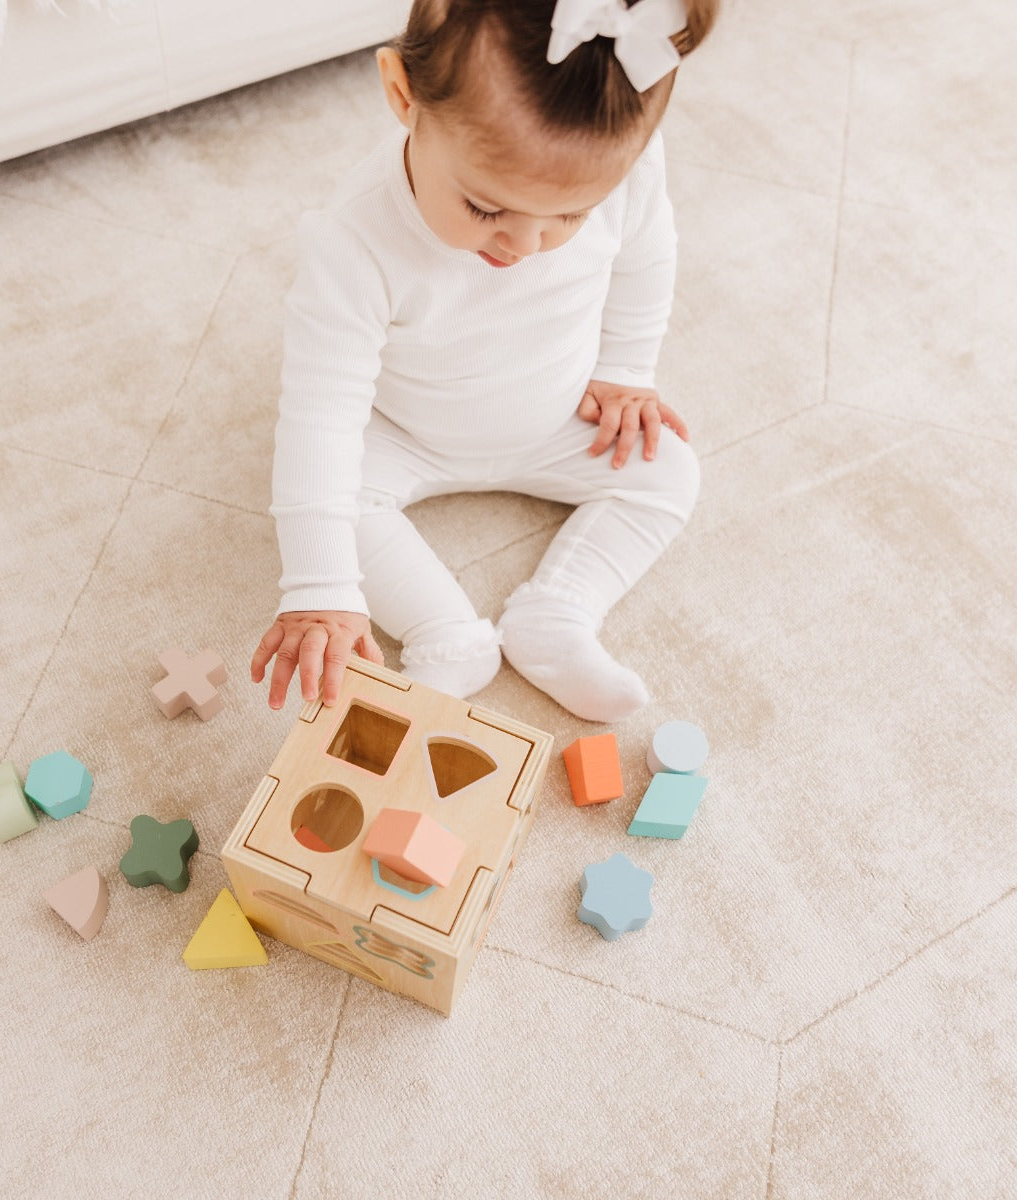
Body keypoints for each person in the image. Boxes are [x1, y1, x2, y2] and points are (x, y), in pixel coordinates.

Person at [252, 0, 718, 722]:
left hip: (561, 415)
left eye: (570, 216)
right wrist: (320, 588)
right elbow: (319, 413)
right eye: (484, 207)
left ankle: (558, 616)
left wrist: (627, 370)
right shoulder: (353, 242)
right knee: (325, 498)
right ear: (403, 95)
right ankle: (445, 635)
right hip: (405, 432)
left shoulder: (625, 169)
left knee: (670, 470)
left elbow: (648, 255)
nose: (526, 244)